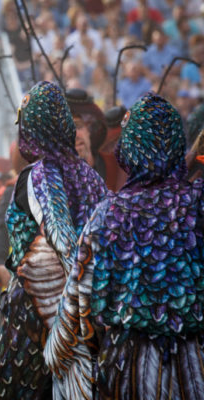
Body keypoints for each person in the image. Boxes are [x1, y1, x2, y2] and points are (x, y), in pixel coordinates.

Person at [45, 93, 204, 399]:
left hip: (127, 365)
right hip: (193, 362)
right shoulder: (196, 205)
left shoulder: (109, 213)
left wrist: (56, 354)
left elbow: (78, 299)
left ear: (129, 147)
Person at [0, 82, 107, 399]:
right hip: (88, 313)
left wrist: (71, 313)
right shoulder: (91, 177)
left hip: (38, 315)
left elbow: (63, 241)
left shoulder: (39, 175)